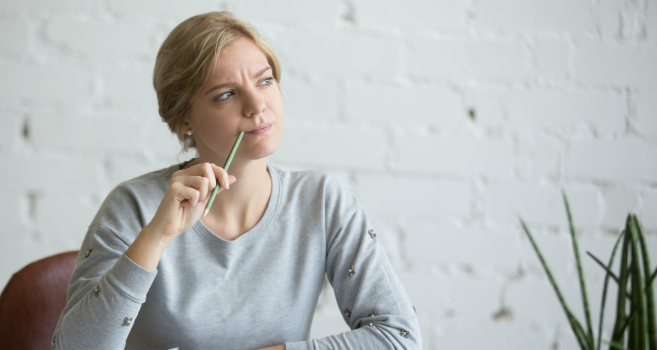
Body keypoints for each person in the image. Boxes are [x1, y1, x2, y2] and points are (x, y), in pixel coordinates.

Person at [52, 11, 421, 350]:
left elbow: (399, 337)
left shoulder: (323, 200)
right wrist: (157, 236)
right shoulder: (133, 206)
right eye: (226, 94)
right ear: (184, 120)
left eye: (265, 80)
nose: (257, 105)